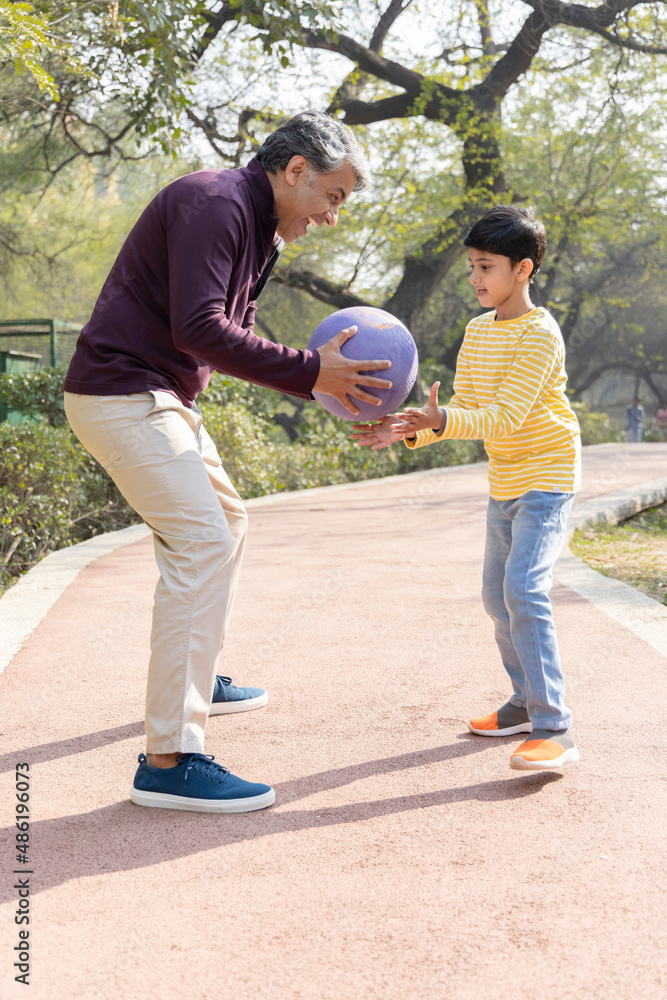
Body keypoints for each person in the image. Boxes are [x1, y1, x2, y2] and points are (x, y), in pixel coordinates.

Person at [63, 112, 393, 813]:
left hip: (155, 395)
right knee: (203, 537)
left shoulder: (252, 222)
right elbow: (201, 330)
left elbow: (228, 334)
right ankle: (169, 758)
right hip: (123, 393)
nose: (333, 216)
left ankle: (195, 672)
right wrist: (313, 371)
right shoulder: (216, 204)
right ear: (296, 169)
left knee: (228, 521)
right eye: (333, 197)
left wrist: (331, 386)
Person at [352, 205, 582, 771]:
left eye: (486, 267)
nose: (475, 279)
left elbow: (503, 416)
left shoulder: (540, 334)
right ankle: (523, 702)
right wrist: (406, 427)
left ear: (522, 270)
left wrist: (439, 421)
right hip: (505, 479)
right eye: (472, 267)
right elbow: (463, 412)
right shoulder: (478, 331)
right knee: (494, 597)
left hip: (547, 478)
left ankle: (556, 729)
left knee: (523, 592)